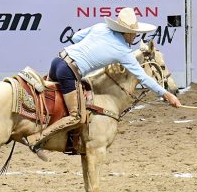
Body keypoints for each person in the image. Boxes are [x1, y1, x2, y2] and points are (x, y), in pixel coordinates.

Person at [27, 8, 181, 151]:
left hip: (58, 61)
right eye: (133, 32)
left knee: (53, 103)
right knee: (76, 116)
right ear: (126, 33)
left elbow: (75, 37)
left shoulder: (100, 27)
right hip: (69, 72)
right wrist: (166, 94)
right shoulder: (123, 52)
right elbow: (142, 77)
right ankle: (37, 139)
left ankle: (44, 132)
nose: (134, 36)